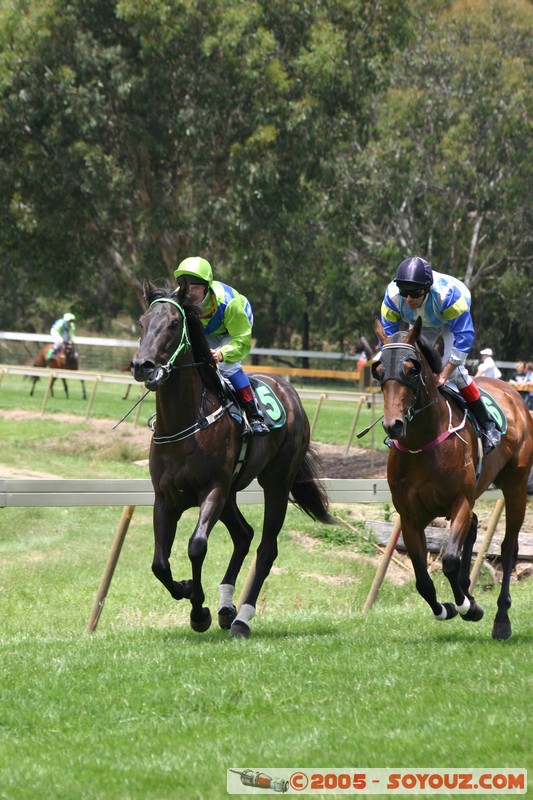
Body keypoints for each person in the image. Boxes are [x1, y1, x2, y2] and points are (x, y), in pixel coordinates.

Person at [380, 256, 501, 454]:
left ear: (427, 289)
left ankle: (487, 424)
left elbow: (464, 337)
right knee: (411, 367)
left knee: (456, 374)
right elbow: (387, 338)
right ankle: (403, 422)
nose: (408, 299)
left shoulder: (448, 296)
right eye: (405, 293)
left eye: (414, 293)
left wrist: (445, 373)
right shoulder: (393, 295)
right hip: (421, 322)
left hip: (449, 321)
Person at [174, 256, 269, 436]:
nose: (189, 294)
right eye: (186, 287)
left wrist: (222, 354)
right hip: (207, 332)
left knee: (228, 365)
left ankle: (254, 415)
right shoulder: (177, 297)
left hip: (233, 329)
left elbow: (241, 339)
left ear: (206, 287)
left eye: (195, 288)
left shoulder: (228, 303)